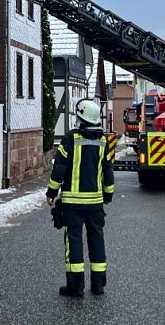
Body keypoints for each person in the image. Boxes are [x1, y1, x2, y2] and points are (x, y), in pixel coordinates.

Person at [46, 98, 115, 297]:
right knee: (97, 240)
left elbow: (60, 168)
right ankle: (98, 284)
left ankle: (75, 286)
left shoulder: (70, 139)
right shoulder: (102, 141)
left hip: (73, 203)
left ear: (81, 119)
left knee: (74, 241)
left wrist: (52, 192)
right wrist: (108, 194)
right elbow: (108, 171)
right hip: (95, 203)